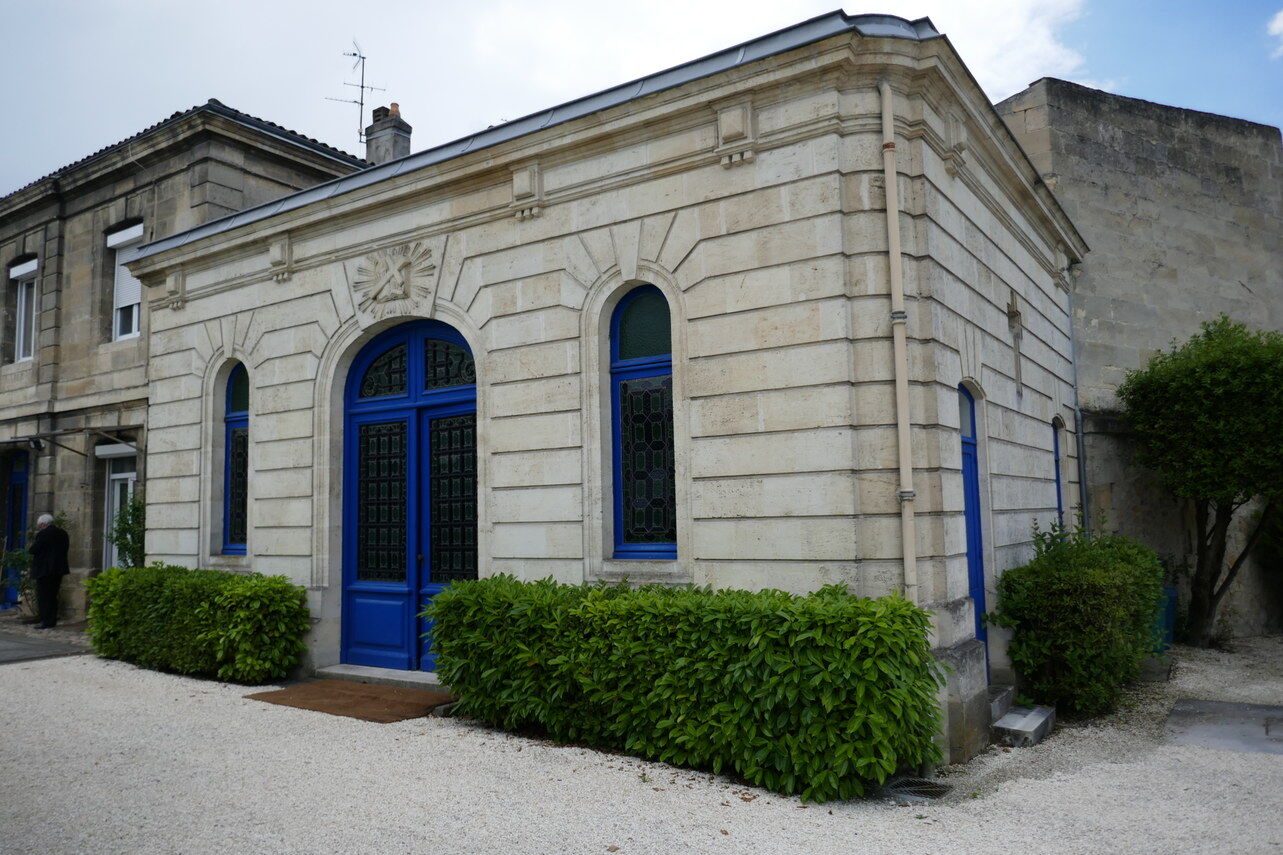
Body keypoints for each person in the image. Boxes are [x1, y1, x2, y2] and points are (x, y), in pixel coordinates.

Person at [27, 513, 69, 629]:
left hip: (44, 570)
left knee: (44, 596)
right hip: (58, 569)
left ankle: (46, 621)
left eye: (40, 525)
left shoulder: (43, 534)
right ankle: (52, 619)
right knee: (53, 595)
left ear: (43, 524)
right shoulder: (63, 533)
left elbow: (34, 549)